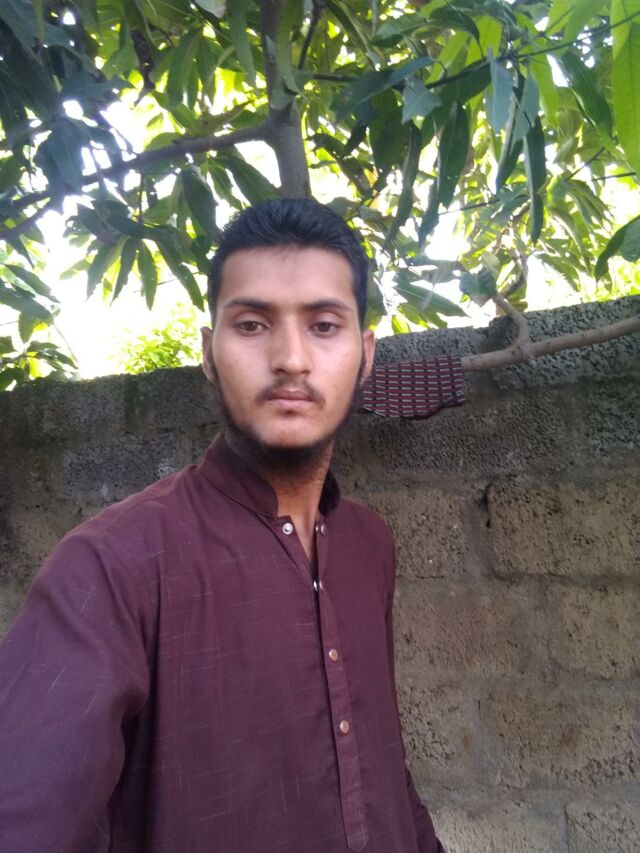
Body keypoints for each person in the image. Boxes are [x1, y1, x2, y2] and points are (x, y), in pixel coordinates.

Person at [0, 198, 444, 852]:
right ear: (208, 351)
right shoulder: (111, 567)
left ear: (366, 353)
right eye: (252, 324)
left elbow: (384, 764)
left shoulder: (368, 544)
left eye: (324, 325)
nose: (291, 358)